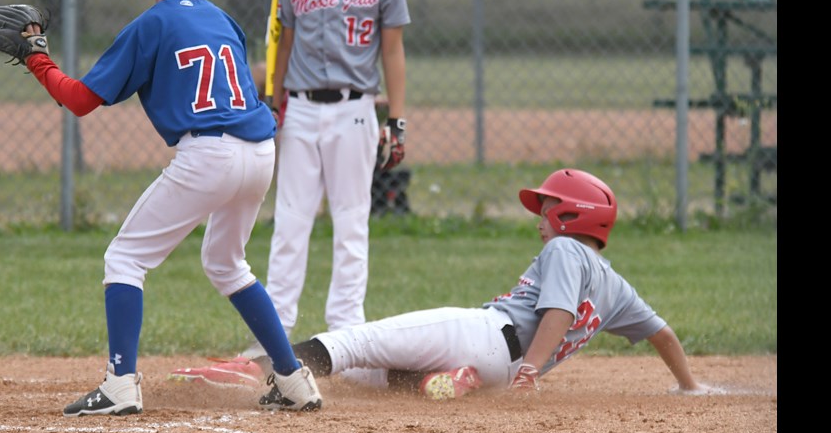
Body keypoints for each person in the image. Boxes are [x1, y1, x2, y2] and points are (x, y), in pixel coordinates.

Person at [21, 0, 322, 414]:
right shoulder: (220, 18)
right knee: (227, 264)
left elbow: (78, 100)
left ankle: (120, 384)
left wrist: (37, 57)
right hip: (261, 151)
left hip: (209, 153)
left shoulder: (153, 24)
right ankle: (292, 378)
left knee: (125, 259)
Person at [171, 168, 715, 399]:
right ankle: (453, 383)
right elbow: (663, 335)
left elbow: (558, 314)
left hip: (486, 335)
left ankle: (254, 371)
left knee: (356, 340)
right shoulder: (617, 287)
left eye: (548, 209)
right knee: (370, 376)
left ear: (574, 219)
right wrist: (688, 386)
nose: (539, 218)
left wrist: (529, 373)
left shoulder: (566, 249)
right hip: (492, 365)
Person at [239, 0, 410, 357]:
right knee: (291, 220)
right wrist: (273, 102)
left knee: (352, 220)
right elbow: (283, 43)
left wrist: (395, 120)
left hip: (356, 109)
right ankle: (274, 333)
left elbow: (393, 51)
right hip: (302, 110)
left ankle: (347, 334)